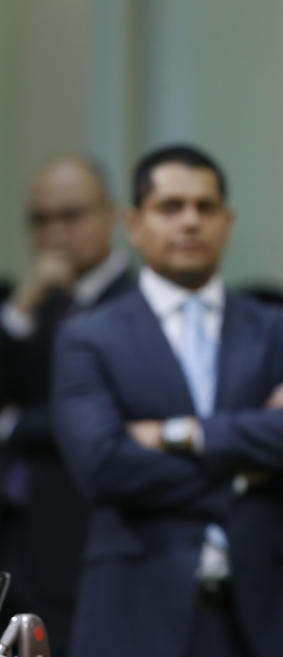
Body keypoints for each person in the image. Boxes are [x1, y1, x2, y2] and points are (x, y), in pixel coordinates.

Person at [51, 144, 283, 657]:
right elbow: (101, 465)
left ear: (227, 222)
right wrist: (247, 465)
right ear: (135, 224)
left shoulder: (276, 327)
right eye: (171, 207)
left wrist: (181, 434)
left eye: (205, 207)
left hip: (274, 610)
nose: (190, 221)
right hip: (138, 608)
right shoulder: (88, 337)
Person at [0, 156, 132, 655]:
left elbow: (93, 416)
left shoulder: (138, 303)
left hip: (82, 538)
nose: (55, 233)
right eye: (40, 220)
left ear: (113, 216)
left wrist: (12, 425)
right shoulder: (31, 306)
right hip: (16, 535)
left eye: (71, 216)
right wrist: (24, 303)